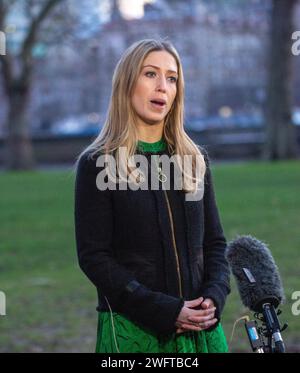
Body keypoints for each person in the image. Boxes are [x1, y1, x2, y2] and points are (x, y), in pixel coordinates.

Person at [74, 38, 231, 353]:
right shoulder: (97, 164)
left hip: (202, 331)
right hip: (135, 332)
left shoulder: (194, 160)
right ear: (127, 83)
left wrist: (214, 297)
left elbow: (214, 244)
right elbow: (95, 258)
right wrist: (167, 311)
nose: (162, 86)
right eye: (150, 74)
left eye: (171, 78)